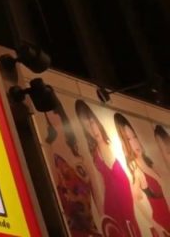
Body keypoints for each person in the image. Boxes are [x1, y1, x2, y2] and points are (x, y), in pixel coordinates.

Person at [76, 100, 139, 236]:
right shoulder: (95, 154)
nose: (92, 130)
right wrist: (103, 215)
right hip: (112, 204)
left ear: (97, 122)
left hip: (125, 202)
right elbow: (100, 188)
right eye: (87, 126)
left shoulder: (113, 146)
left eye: (92, 123)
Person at [41, 98, 102, 236]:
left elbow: (97, 197)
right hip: (69, 229)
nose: (51, 116)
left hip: (91, 228)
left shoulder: (79, 152)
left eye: (53, 112)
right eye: (47, 113)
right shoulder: (51, 153)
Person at [115, 114, 170, 237]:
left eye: (134, 137)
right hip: (162, 224)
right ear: (125, 143)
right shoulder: (137, 171)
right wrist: (155, 225)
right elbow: (135, 199)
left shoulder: (150, 163)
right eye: (129, 139)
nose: (134, 142)